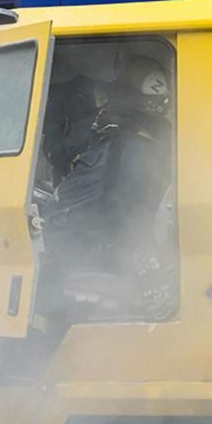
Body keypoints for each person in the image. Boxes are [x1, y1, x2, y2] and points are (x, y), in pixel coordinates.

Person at [41, 55, 176, 320]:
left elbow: (129, 215)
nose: (161, 106)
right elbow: (128, 216)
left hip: (70, 236)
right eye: (154, 100)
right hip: (75, 239)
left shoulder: (128, 141)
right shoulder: (134, 145)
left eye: (163, 100)